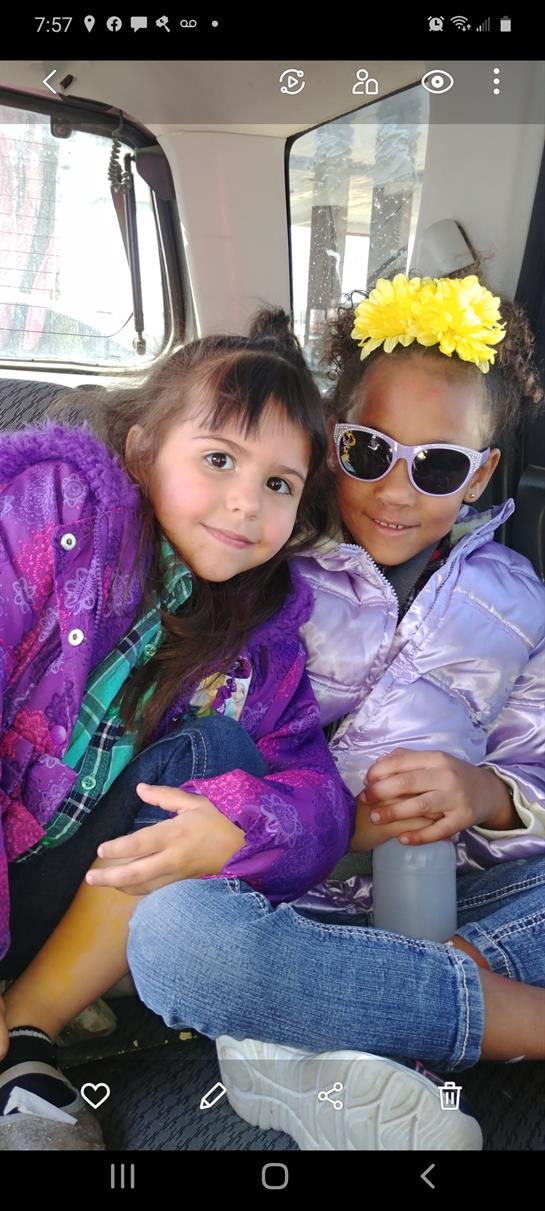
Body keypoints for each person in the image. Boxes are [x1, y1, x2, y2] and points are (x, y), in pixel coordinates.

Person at [125, 274, 545, 1151]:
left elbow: (536, 777)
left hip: (456, 897)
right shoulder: (274, 563)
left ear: (480, 476)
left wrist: (484, 793)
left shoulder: (521, 602)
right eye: (367, 453)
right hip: (276, 905)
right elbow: (200, 734)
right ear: (330, 444)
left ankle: (319, 1039)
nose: (396, 489)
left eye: (435, 465)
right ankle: (484, 1017)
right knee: (169, 936)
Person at [0, 313, 355, 1150]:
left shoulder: (261, 638)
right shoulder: (55, 510)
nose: (245, 501)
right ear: (142, 447)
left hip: (61, 897)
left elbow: (319, 799)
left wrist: (241, 826)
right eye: (219, 459)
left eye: (279, 484)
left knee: (221, 762)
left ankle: (25, 1031)